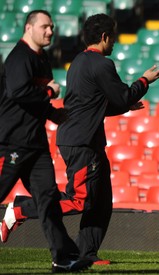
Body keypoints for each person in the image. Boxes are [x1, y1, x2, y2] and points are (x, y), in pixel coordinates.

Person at [1, 13, 159, 265]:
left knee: (101, 202)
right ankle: (21, 209)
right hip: (82, 142)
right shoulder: (101, 64)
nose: (115, 43)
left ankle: (86, 254)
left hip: (84, 140)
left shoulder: (78, 62)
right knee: (80, 200)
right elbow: (121, 97)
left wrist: (126, 105)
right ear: (104, 37)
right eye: (113, 37)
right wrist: (144, 81)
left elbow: (96, 104)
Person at [0, 10, 93, 272]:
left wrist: (53, 113)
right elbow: (18, 92)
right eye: (44, 27)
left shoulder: (41, 59)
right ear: (29, 28)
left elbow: (36, 102)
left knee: (49, 200)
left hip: (36, 145)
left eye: (52, 27)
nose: (50, 31)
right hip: (13, 143)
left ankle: (62, 258)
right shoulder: (20, 57)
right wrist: (50, 91)